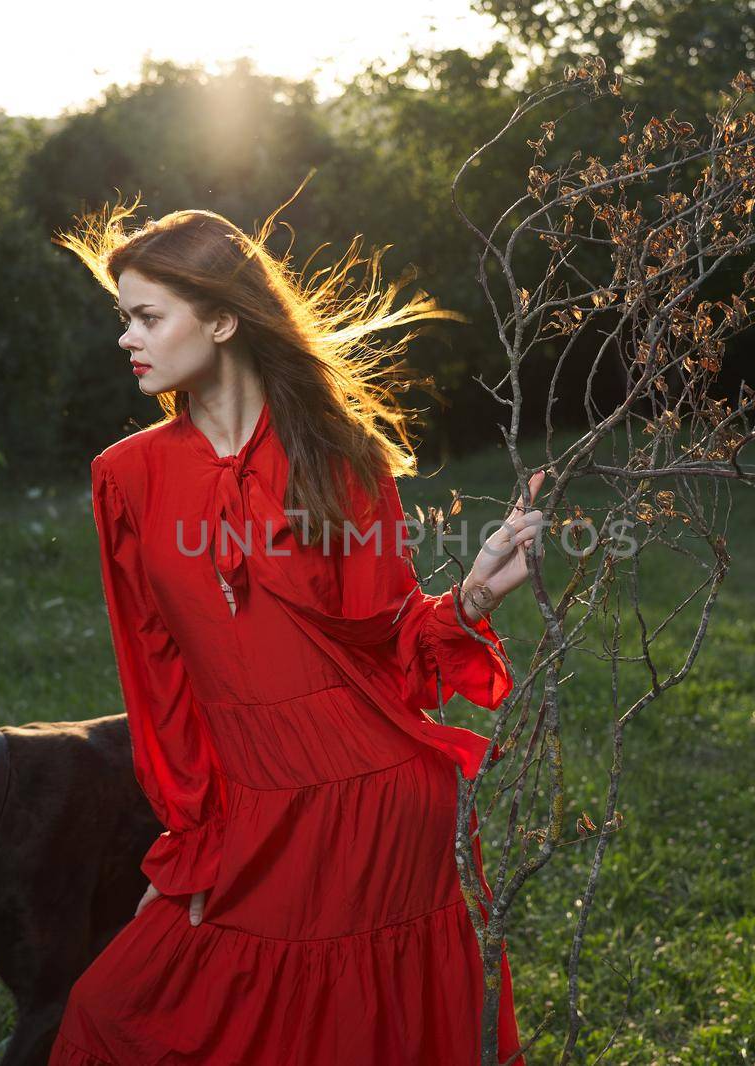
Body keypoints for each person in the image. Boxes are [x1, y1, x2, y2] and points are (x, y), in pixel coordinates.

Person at [47, 199, 545, 1065]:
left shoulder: (336, 455)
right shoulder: (126, 477)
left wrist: (466, 600)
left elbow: (388, 650)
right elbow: (156, 678)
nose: (127, 339)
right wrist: (193, 838)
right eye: (124, 318)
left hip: (378, 804)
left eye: (146, 318)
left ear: (224, 318)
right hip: (251, 807)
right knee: (109, 1015)